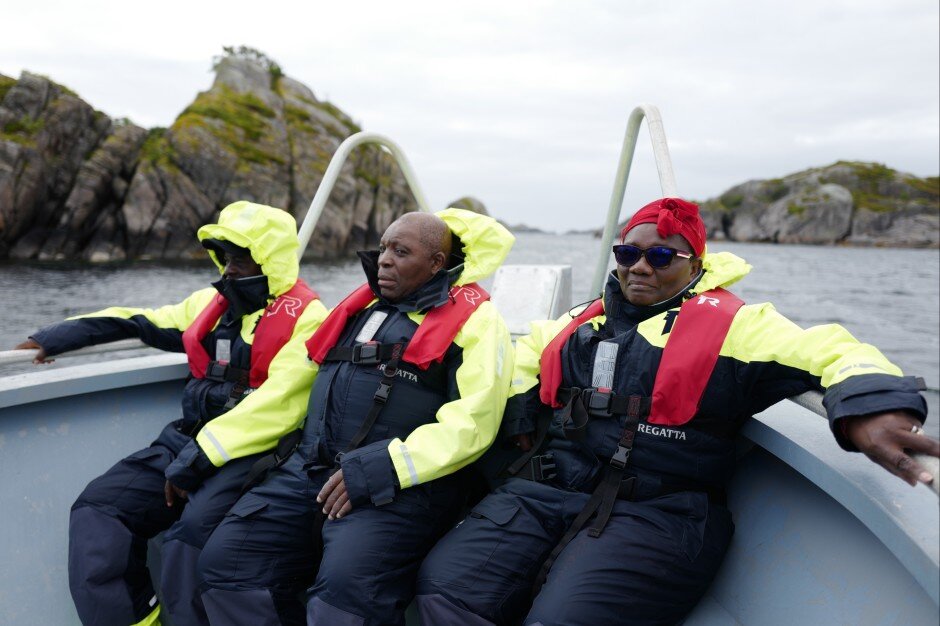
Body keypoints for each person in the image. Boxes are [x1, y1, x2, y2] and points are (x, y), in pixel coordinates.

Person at [415, 197, 940, 626]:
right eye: (628, 253)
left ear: (695, 264)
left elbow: (836, 351)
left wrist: (868, 410)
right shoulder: (580, 323)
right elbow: (522, 361)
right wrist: (521, 419)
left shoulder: (740, 327)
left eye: (662, 256)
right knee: (444, 586)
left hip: (660, 513)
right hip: (554, 489)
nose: (640, 266)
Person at [15, 201, 328, 626]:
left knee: (188, 546)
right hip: (186, 441)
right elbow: (139, 321)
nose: (230, 269)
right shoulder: (208, 304)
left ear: (270, 259)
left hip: (257, 454)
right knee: (99, 511)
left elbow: (280, 403)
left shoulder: (309, 318)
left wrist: (196, 460)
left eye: (241, 258)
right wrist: (53, 337)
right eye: (225, 257)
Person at [196, 208, 514, 626]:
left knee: (343, 599)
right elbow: (289, 387)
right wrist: (203, 451)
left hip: (395, 484)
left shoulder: (477, 321)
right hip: (309, 469)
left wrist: (386, 465)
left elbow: (474, 421)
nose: (383, 259)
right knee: (226, 565)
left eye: (401, 251)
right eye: (383, 247)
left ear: (437, 263)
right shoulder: (358, 309)